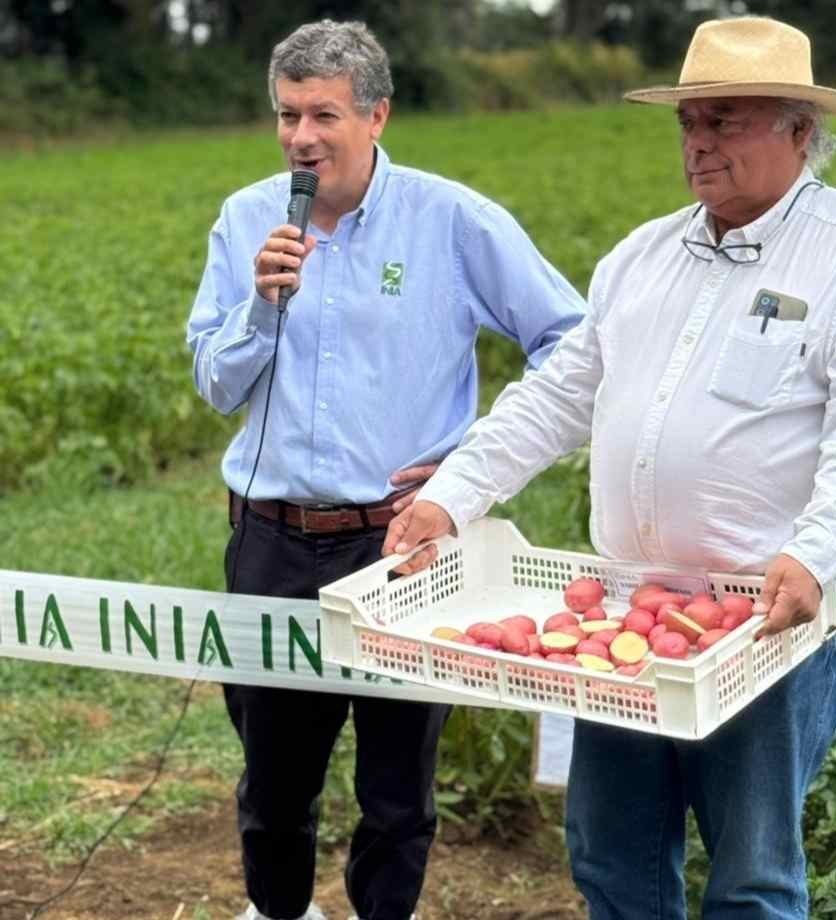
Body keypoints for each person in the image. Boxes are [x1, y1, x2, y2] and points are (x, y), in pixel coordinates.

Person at [385, 16, 836, 920]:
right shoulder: (641, 256)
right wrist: (452, 496)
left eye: (725, 120)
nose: (698, 142)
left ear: (800, 130)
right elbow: (557, 396)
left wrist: (817, 550)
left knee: (753, 878)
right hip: (624, 616)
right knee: (612, 856)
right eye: (689, 121)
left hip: (765, 622)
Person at [186, 19, 585, 920]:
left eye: (323, 115)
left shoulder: (453, 221)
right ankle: (279, 911)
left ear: (377, 116)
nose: (300, 137)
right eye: (287, 114)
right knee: (272, 784)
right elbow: (215, 383)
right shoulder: (246, 218)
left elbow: (572, 342)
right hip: (271, 539)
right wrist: (260, 308)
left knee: (398, 792)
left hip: (404, 544)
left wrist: (469, 466)